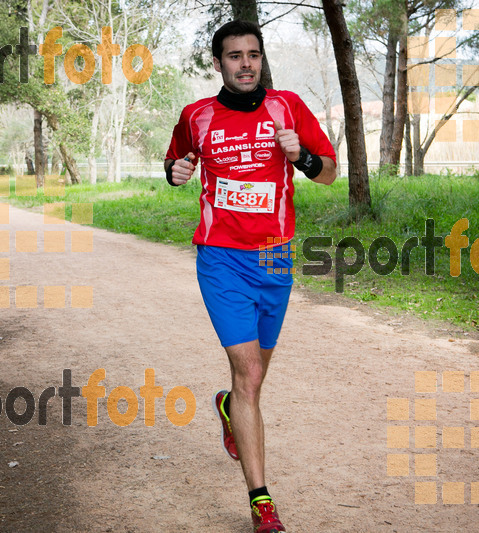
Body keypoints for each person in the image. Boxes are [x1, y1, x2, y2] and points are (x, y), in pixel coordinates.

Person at [164, 20, 337, 533]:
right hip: (220, 257)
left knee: (252, 382)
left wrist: (301, 157)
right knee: (251, 375)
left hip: (274, 259)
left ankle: (229, 408)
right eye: (235, 56)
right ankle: (262, 502)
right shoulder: (197, 116)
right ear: (218, 63)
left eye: (253, 55)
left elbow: (329, 170)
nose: (245, 64)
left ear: (261, 60)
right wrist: (174, 171)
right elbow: (176, 159)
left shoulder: (288, 107)